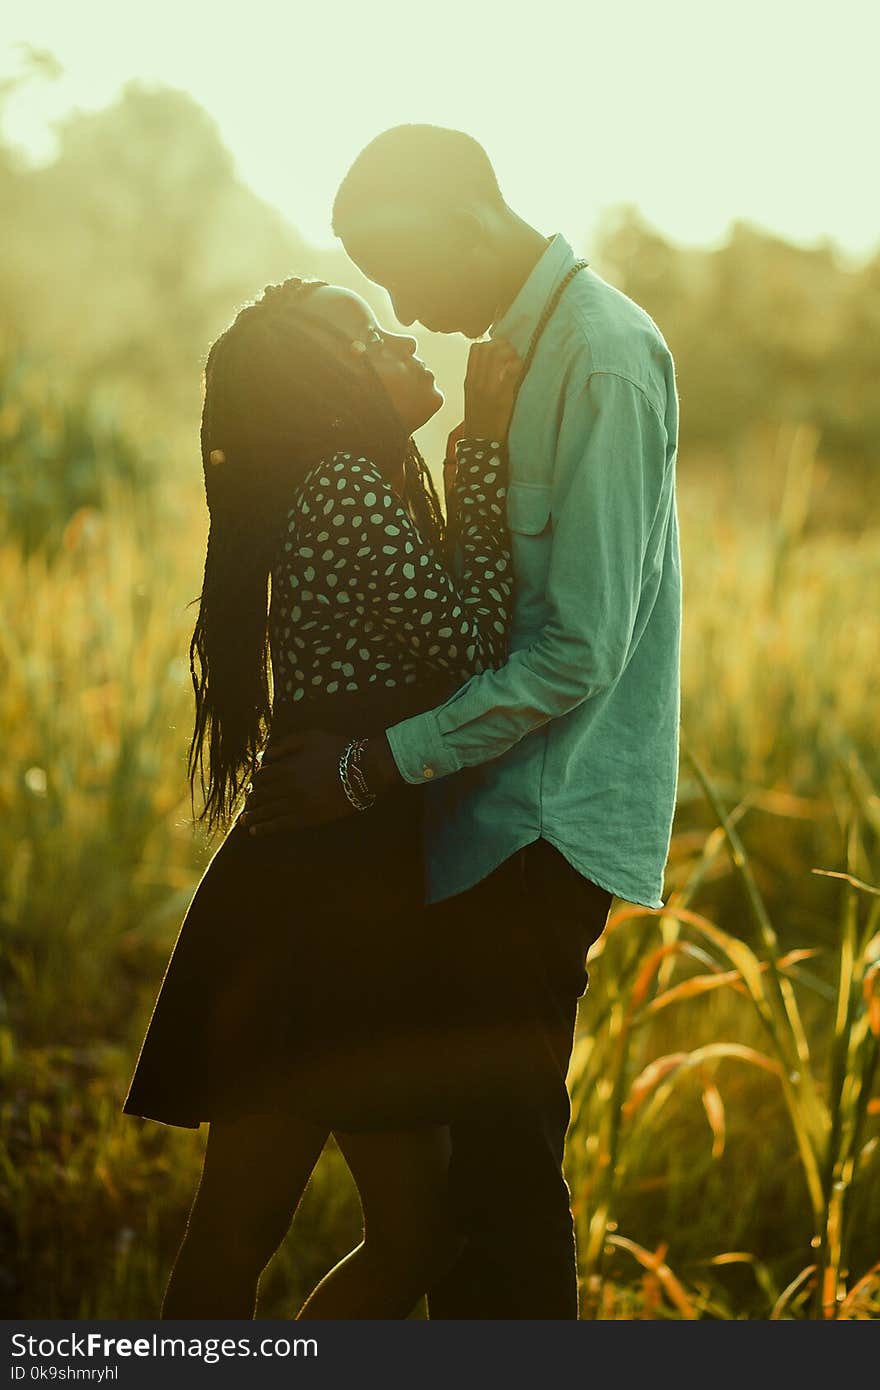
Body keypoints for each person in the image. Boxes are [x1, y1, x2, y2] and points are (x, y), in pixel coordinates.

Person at [241, 124, 682, 1319]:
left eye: (397, 262)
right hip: (473, 822)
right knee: (460, 1204)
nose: (400, 303)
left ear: (465, 214)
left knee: (501, 1191)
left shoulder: (595, 358)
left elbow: (574, 650)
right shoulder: (513, 361)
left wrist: (374, 766)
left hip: (534, 825)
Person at [121, 272, 529, 1318]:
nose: (403, 340)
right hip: (329, 901)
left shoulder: (353, 481)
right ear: (329, 382)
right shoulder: (345, 484)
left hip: (322, 887)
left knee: (248, 1228)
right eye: (371, 334)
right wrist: (480, 443)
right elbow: (480, 645)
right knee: (407, 1229)